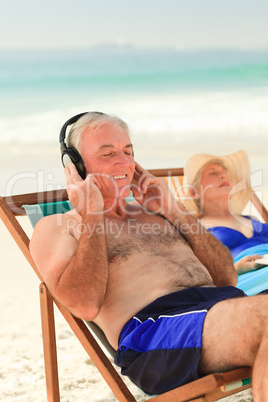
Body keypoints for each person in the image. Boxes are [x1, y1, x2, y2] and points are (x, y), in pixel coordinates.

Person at [30, 113, 268, 399]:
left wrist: (174, 210)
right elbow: (83, 304)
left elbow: (225, 278)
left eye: (128, 152)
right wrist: (91, 213)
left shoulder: (158, 214)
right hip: (156, 335)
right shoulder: (60, 228)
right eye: (108, 153)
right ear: (76, 165)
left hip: (219, 309)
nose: (124, 162)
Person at [183, 150, 268, 294]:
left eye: (224, 171)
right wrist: (236, 269)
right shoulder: (195, 228)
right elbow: (195, 277)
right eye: (212, 173)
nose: (223, 175)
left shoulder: (251, 218)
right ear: (194, 192)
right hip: (246, 278)